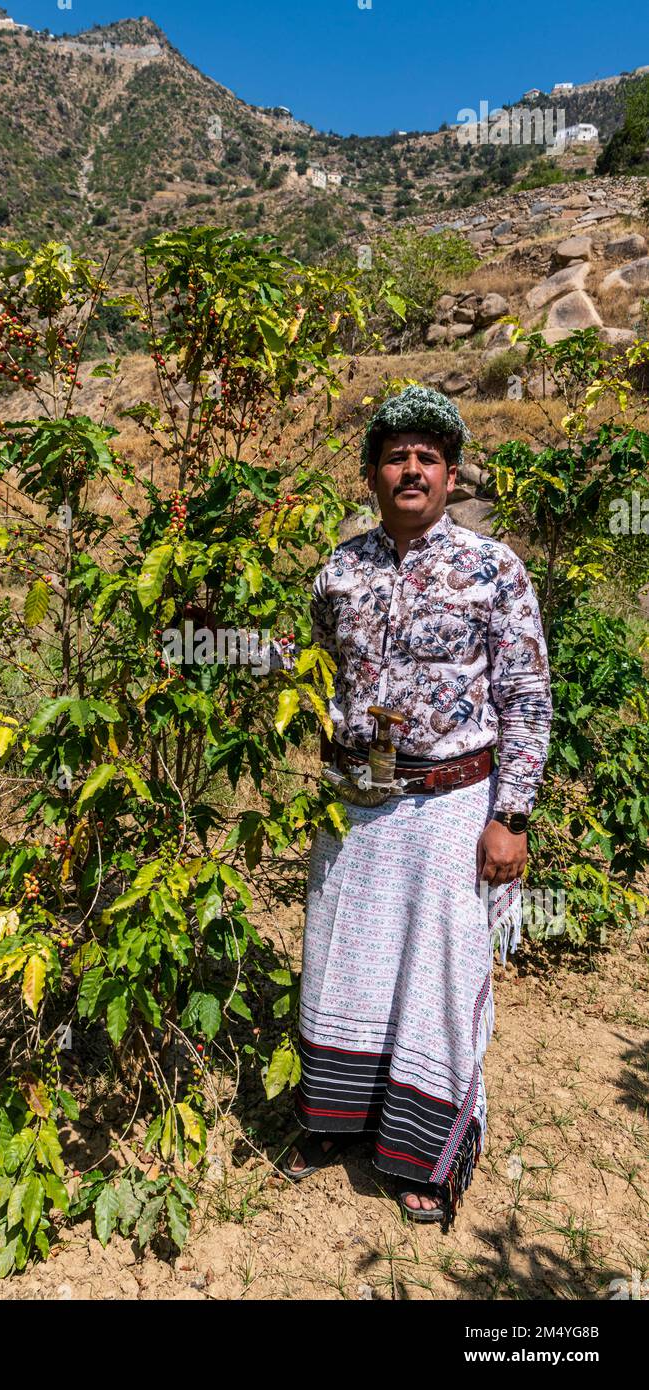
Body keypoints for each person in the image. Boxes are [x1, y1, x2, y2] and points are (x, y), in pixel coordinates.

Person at [279, 385, 553, 1230]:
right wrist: (223, 631)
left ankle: (423, 1157)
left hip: (449, 803)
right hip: (356, 802)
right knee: (341, 964)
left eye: (427, 458)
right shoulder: (340, 568)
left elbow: (528, 693)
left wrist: (511, 816)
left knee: (435, 978)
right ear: (371, 475)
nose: (411, 469)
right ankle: (333, 1123)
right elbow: (307, 666)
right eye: (396, 456)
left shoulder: (492, 568)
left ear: (450, 474)